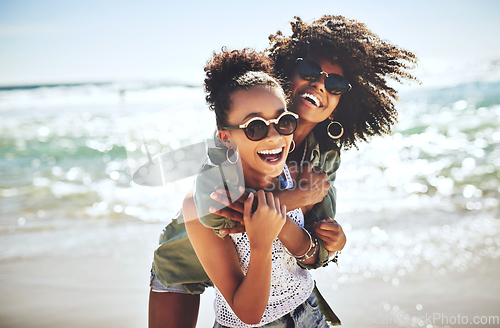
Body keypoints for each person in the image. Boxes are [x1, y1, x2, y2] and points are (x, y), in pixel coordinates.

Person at [149, 15, 417, 328]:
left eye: (335, 84)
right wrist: (299, 196)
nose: (320, 84)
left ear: (342, 102)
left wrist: (335, 242)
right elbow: (219, 211)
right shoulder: (241, 134)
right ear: (284, 72)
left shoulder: (324, 155)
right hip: (184, 265)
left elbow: (313, 244)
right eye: (309, 71)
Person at [185, 47, 330, 327]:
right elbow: (248, 314)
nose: (275, 135)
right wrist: (261, 243)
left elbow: (307, 256)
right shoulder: (204, 206)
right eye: (256, 127)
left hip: (311, 313)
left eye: (284, 121)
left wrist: (331, 239)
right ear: (226, 138)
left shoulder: (294, 177)